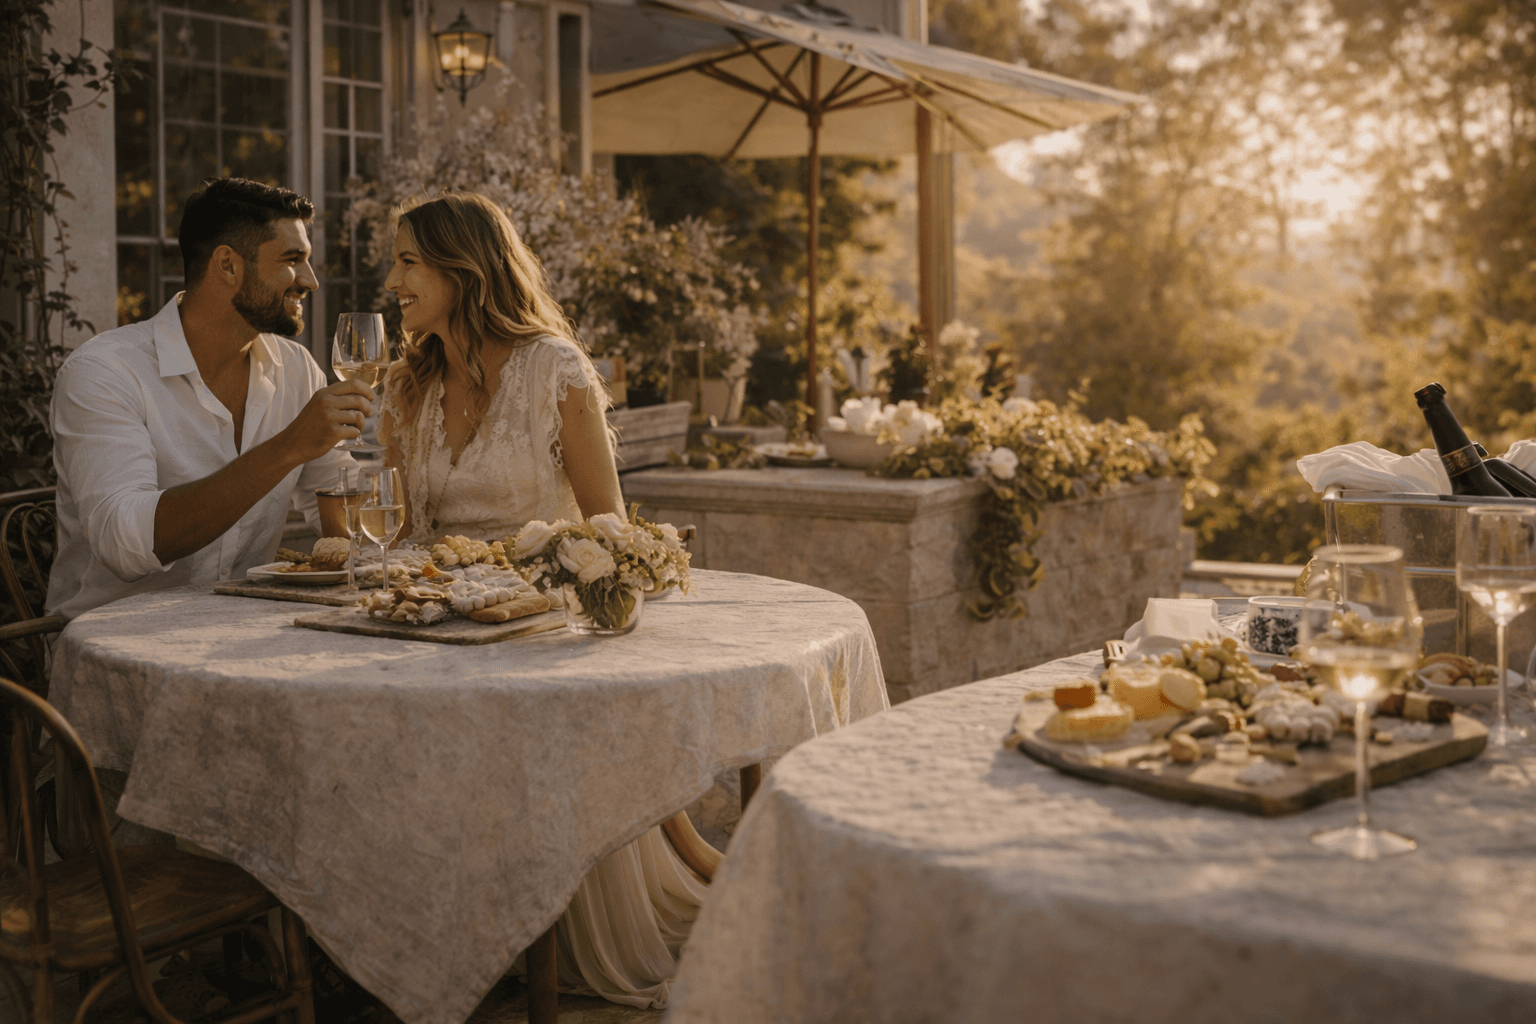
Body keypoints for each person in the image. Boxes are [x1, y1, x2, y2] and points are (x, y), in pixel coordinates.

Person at [376, 191, 706, 1008]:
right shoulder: (406, 384)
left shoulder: (555, 369)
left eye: (409, 262)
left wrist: (544, 597)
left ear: (464, 267)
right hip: (439, 627)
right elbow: (407, 531)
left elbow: (608, 532)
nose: (393, 281)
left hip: (537, 627)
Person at [46, 178, 371, 621]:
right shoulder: (104, 373)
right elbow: (126, 544)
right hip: (115, 646)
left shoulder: (296, 370)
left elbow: (343, 511)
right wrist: (288, 446)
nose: (310, 281)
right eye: (292, 260)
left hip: (242, 638)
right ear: (228, 265)